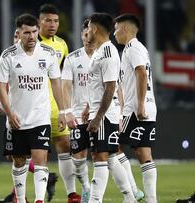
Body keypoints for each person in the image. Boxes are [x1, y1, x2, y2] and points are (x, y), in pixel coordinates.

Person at [0, 13, 66, 203]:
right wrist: (9, 114)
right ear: (18, 33)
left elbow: (56, 84)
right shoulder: (8, 55)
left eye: (34, 32)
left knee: (40, 159)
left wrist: (62, 111)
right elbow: (1, 86)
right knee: (18, 162)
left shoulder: (48, 54)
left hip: (40, 117)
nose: (32, 36)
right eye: (27, 33)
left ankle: (39, 200)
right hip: (16, 118)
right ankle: (19, 198)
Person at [86, 13, 136, 202]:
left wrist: (98, 117)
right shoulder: (100, 51)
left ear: (95, 29)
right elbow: (98, 86)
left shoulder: (107, 52)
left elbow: (110, 87)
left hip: (105, 116)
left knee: (99, 157)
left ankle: (95, 200)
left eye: (89, 28)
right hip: (102, 112)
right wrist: (88, 109)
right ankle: (130, 197)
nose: (87, 31)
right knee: (112, 157)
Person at [114, 13, 158, 203]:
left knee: (112, 147)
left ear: (124, 29)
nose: (114, 33)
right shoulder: (140, 48)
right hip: (142, 106)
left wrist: (139, 105)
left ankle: (132, 195)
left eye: (116, 29)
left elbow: (141, 73)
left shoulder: (132, 48)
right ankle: (147, 198)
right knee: (142, 152)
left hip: (136, 109)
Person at [37, 4, 76, 202]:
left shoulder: (62, 44)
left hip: (54, 105)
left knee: (65, 145)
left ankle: (72, 193)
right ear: (39, 22)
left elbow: (62, 79)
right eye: (48, 20)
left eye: (56, 21)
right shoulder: (28, 40)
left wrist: (65, 109)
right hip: (32, 107)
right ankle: (21, 194)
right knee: (21, 155)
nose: (53, 24)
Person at [61, 18, 96, 203]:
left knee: (105, 156)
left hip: (100, 114)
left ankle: (128, 193)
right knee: (78, 160)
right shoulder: (73, 58)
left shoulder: (105, 56)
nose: (88, 38)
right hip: (78, 116)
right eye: (85, 34)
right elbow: (65, 86)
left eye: (91, 34)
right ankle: (86, 188)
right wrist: (67, 111)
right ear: (81, 36)